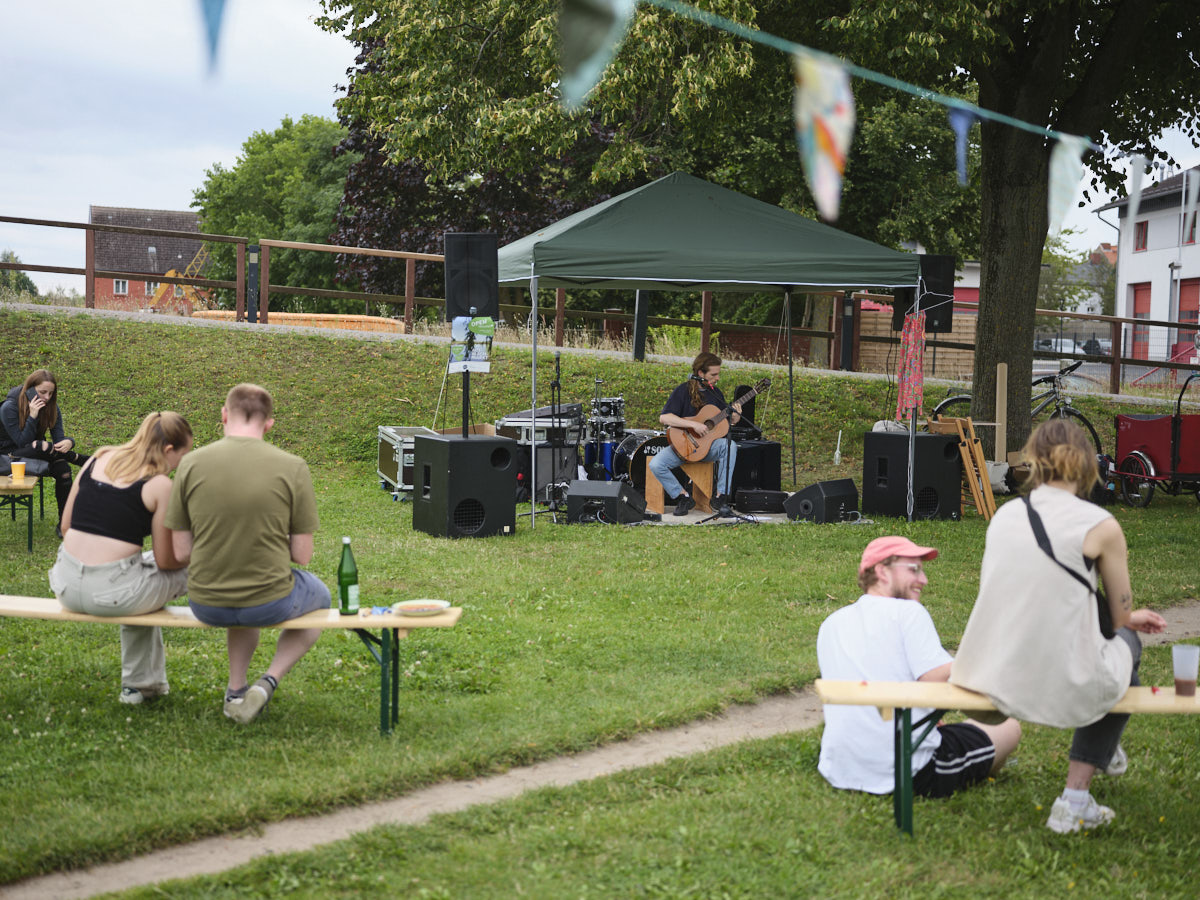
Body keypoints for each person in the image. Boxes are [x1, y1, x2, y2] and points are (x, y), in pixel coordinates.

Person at [951, 418, 1166, 833]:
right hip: (1063, 677)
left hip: (995, 671)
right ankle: (1075, 798)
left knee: (1117, 665)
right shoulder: (1100, 525)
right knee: (1127, 649)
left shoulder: (1005, 516)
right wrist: (1129, 621)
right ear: (1086, 463)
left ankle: (1102, 751)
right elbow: (1122, 616)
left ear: (1033, 459)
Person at [166, 383, 330, 725]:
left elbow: (181, 552)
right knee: (322, 597)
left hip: (206, 600)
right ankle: (268, 680)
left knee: (242, 597)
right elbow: (303, 555)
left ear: (224, 415)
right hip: (269, 601)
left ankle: (235, 690)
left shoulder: (190, 463)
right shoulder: (293, 466)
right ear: (269, 424)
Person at [817, 535, 1021, 798]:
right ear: (882, 571)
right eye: (914, 569)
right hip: (909, 770)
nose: (923, 579)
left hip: (839, 767)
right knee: (1009, 727)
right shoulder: (908, 612)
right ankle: (982, 773)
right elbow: (937, 681)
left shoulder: (832, 623)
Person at [49, 412, 193, 705]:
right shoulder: (159, 485)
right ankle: (243, 605)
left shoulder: (98, 458)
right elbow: (167, 561)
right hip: (114, 593)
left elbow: (66, 527)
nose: (181, 464)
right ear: (168, 450)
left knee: (141, 581)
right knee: (196, 568)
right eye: (183, 455)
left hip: (65, 584)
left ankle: (141, 687)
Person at [649, 352, 741, 516]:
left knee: (729, 446)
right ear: (700, 373)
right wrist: (693, 425)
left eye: (718, 374)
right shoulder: (683, 391)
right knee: (656, 464)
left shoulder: (715, 393)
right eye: (713, 374)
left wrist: (735, 417)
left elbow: (724, 423)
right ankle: (682, 496)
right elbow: (664, 418)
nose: (717, 378)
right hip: (684, 447)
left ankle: (721, 496)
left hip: (706, 448)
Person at [1, 369, 89, 533]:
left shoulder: (51, 407)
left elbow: (58, 441)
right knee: (39, 445)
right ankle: (80, 459)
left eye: (50, 393)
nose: (47, 397)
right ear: (29, 389)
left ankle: (64, 524)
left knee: (63, 470)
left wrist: (69, 442)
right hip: (7, 457)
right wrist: (33, 416)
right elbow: (23, 443)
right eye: (42, 392)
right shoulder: (9, 407)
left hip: (38, 451)